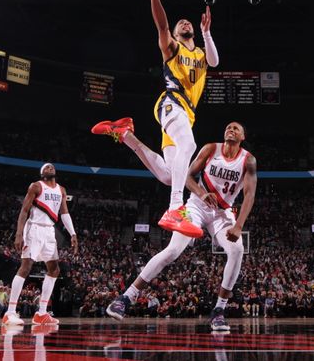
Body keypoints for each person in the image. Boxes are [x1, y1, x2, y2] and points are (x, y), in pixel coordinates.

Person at [91, 0, 219, 239]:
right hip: (172, 103)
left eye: (188, 22)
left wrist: (207, 33)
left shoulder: (199, 54)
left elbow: (215, 60)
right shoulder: (171, 48)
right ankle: (175, 208)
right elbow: (160, 22)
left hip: (186, 113)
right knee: (190, 144)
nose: (184, 22)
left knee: (170, 175)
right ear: (173, 34)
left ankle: (124, 134)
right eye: (179, 23)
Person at [105, 122, 256, 332]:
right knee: (173, 250)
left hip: (223, 213)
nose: (230, 129)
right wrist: (202, 193)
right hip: (196, 206)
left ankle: (219, 310)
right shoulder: (211, 149)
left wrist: (239, 226)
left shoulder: (248, 160)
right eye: (228, 127)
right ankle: (126, 297)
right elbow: (184, 175)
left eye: (236, 128)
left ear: (242, 136)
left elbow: (249, 195)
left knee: (238, 249)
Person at [2, 163, 78, 326]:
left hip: (50, 231)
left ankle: (41, 313)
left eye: (51, 167)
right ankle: (9, 312)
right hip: (34, 228)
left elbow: (64, 213)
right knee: (26, 267)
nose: (49, 167)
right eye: (46, 167)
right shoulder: (36, 186)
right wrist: (19, 233)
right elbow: (24, 210)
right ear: (42, 173)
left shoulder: (61, 190)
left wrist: (73, 233)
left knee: (54, 269)